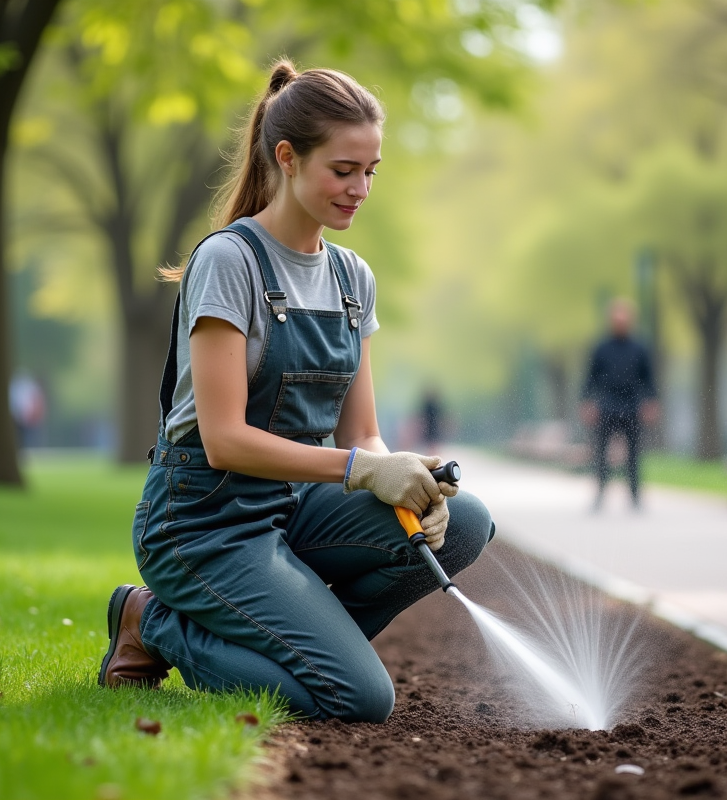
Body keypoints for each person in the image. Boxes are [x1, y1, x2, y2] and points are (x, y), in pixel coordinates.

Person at [96, 60, 494, 723]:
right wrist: (362, 470)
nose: (360, 188)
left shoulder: (351, 276)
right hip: (204, 524)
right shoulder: (230, 262)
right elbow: (224, 441)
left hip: (294, 508)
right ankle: (154, 622)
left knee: (467, 524)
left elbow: (361, 435)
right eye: (343, 170)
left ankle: (295, 638)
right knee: (358, 698)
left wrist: (407, 483)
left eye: (371, 171)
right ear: (286, 157)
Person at [580, 298, 659, 510]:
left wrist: (651, 402)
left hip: (632, 405)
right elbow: (590, 378)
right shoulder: (601, 348)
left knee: (633, 454)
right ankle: (600, 494)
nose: (620, 322)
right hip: (607, 404)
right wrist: (587, 402)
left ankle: (634, 496)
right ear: (611, 321)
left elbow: (648, 379)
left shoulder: (640, 348)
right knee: (601, 453)